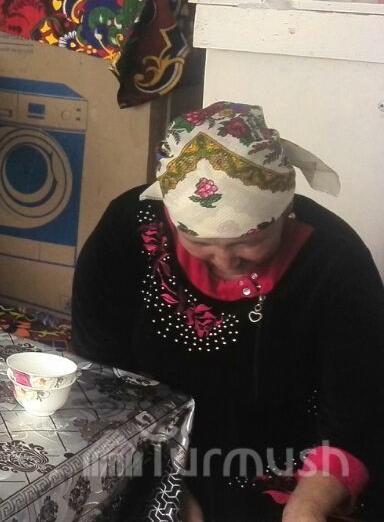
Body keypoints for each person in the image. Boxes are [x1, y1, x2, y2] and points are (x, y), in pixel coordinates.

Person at [72, 102, 384, 522]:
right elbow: (100, 370)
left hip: (291, 454)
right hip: (150, 437)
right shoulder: (129, 230)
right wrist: (168, 486)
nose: (225, 260)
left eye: (248, 242)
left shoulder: (334, 261)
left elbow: (357, 410)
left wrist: (307, 506)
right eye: (200, 242)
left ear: (284, 212)